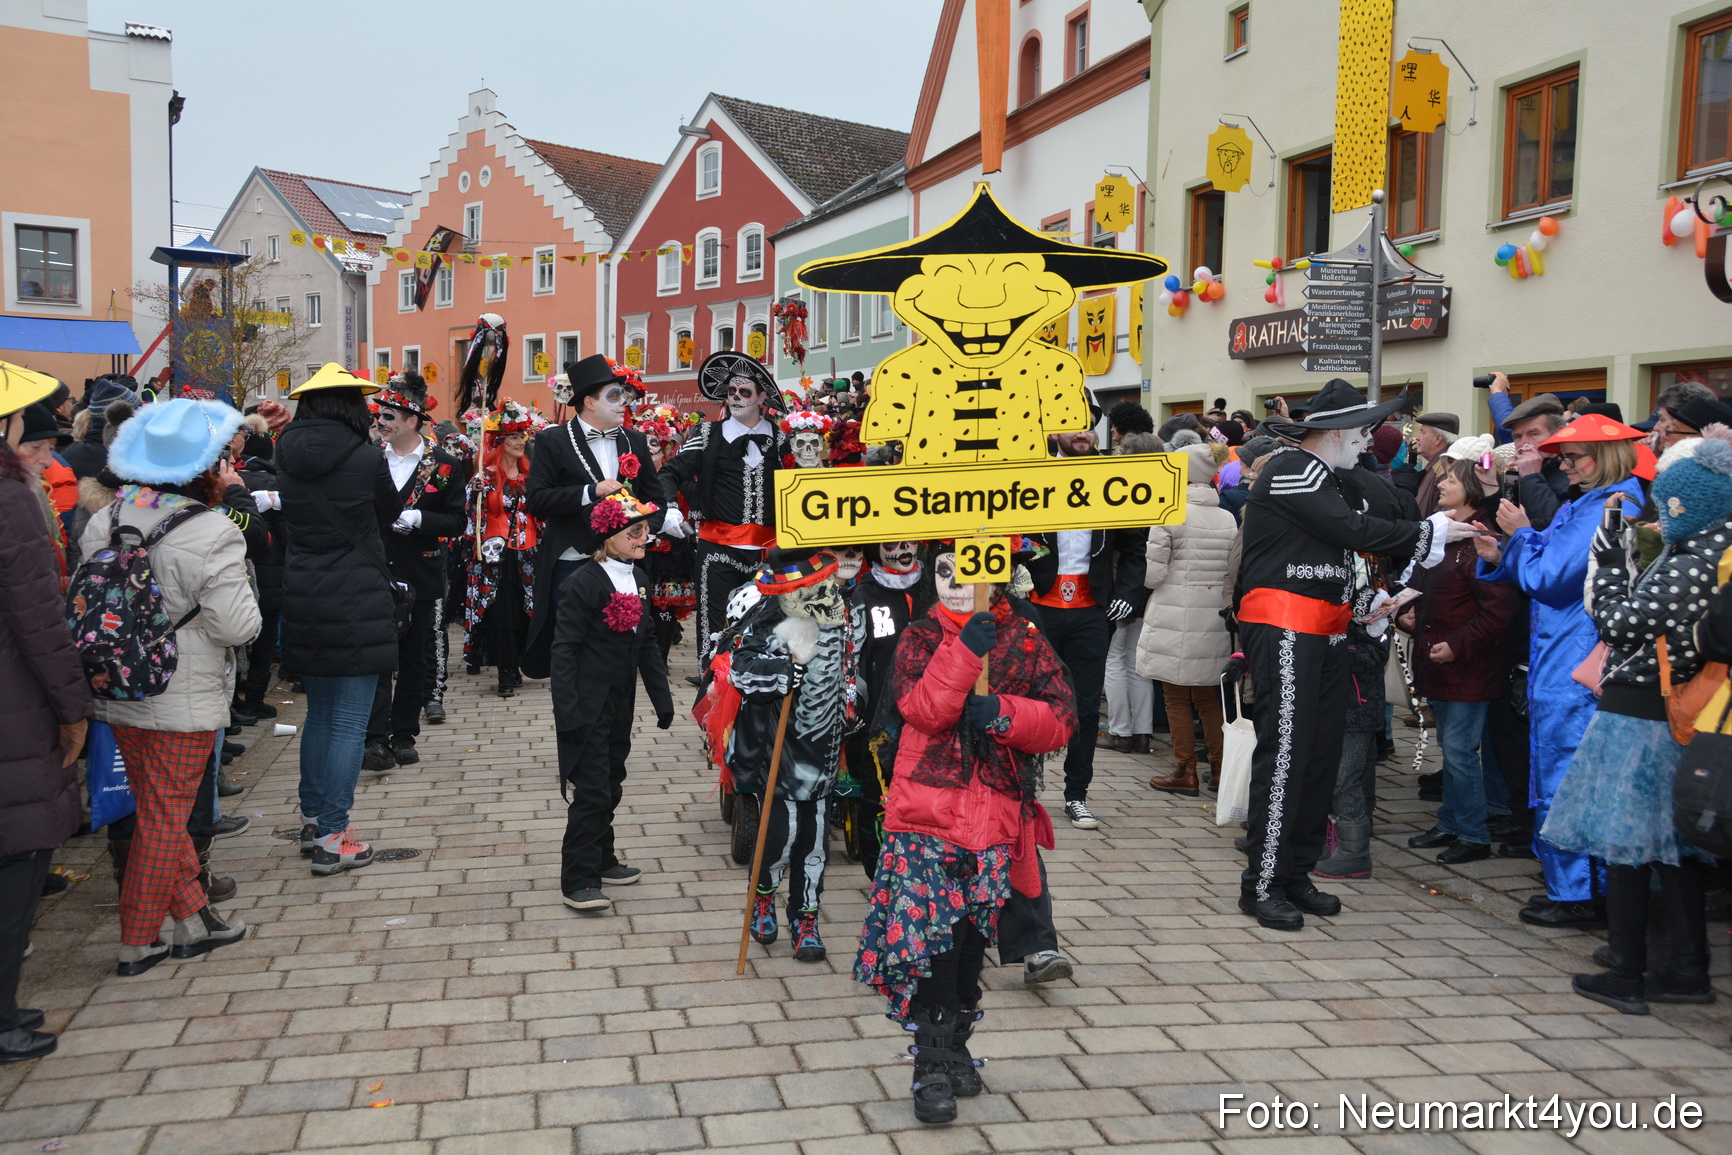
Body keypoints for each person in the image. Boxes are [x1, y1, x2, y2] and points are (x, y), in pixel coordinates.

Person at [1233, 379, 1477, 930]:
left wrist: (1367, 600)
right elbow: (1346, 529)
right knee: (1287, 757)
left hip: (1328, 631)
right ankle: (1262, 881)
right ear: (1337, 430)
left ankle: (1295, 873)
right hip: (1286, 629)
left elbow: (1337, 552)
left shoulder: (1331, 476)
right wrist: (1426, 531)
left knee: (1318, 758)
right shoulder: (1292, 466)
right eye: (1363, 430)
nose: (1369, 441)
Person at [853, 552, 1075, 1125]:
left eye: (973, 571)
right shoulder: (920, 637)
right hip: (926, 817)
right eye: (946, 570)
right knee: (932, 941)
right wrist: (965, 650)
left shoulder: (1026, 635)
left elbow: (1060, 719)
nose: (958, 584)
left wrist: (1003, 711)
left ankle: (956, 1048)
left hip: (996, 819)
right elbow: (923, 711)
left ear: (996, 574)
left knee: (974, 939)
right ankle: (928, 1062)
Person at [1543, 435, 1732, 1013]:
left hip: (1641, 712)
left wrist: (1605, 564)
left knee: (1626, 844)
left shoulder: (1690, 563)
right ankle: (1686, 970)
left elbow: (1620, 625)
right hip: (1672, 712)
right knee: (1671, 848)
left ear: (1683, 505)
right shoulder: (1712, 556)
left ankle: (1627, 972)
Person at [78, 398, 260, 974]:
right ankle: (138, 940)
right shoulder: (212, 530)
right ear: (202, 469)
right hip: (183, 694)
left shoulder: (107, 518)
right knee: (165, 819)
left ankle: (195, 921)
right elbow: (237, 625)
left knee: (157, 807)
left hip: (118, 686)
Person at [1474, 411, 1647, 928]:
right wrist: (1505, 549)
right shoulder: (1598, 502)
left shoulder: (1608, 507)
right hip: (1566, 653)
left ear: (1605, 457)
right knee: (1562, 771)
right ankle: (1575, 887)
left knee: (1566, 774)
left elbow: (1551, 577)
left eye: (1573, 457)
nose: (1565, 466)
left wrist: (1522, 535)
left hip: (1575, 660)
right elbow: (1550, 562)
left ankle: (1578, 892)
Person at [277, 364, 400, 876]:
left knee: (320, 715)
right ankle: (333, 836)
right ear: (351, 407)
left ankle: (311, 819)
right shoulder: (368, 458)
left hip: (304, 592)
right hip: (357, 597)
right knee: (349, 720)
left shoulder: (283, 452)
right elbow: (389, 512)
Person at [0, 376, 89, 1061]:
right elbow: (39, 620)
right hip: (14, 705)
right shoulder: (10, 501)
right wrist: (73, 707)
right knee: (18, 860)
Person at [727, 549, 865, 962]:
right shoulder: (768, 618)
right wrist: (780, 673)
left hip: (823, 750)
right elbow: (740, 666)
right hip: (779, 749)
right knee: (781, 833)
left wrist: (852, 703)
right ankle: (764, 893)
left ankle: (806, 915)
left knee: (816, 839)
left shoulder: (846, 617)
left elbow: (852, 668)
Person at [551, 491, 674, 913]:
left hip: (620, 699)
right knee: (591, 790)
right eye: (636, 532)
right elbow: (563, 651)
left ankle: (603, 859)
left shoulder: (638, 579)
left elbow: (647, 644)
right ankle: (578, 878)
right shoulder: (582, 583)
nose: (645, 538)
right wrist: (566, 713)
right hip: (586, 703)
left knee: (611, 782)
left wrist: (662, 699)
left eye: (645, 531)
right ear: (609, 536)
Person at [1401, 458, 1524, 864]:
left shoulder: (1482, 541)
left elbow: (1498, 611)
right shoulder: (1442, 535)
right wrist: (1407, 613)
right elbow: (1419, 587)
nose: (1440, 486)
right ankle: (1451, 822)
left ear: (1470, 489)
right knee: (1450, 749)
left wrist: (1458, 644)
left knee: (1459, 751)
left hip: (1469, 666)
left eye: (1449, 480)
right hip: (1437, 661)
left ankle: (1472, 834)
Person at [1024, 428, 1147, 830]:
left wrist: (1128, 592)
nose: (1082, 433)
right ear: (1053, 432)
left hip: (1091, 610)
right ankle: (1020, 792)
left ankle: (1076, 794)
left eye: (1088, 425)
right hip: (1039, 608)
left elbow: (1134, 546)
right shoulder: (1033, 474)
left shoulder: (1110, 478)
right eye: (1072, 424)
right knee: (1025, 701)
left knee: (1087, 706)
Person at [522, 355, 660, 680]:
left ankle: (610, 713)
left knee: (618, 645)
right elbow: (537, 500)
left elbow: (655, 497)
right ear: (588, 401)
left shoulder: (634, 440)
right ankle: (575, 715)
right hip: (572, 561)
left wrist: (647, 530)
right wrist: (590, 491)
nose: (622, 403)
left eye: (623, 396)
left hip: (624, 564)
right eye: (613, 396)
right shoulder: (552, 440)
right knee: (571, 646)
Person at [362, 373, 467, 770]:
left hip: (421, 573)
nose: (380, 422)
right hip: (375, 572)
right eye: (379, 415)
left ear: (411, 420)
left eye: (388, 416)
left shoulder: (444, 465)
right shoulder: (368, 459)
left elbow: (457, 521)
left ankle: (404, 734)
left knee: (413, 657)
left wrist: (422, 518)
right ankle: (374, 737)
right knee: (376, 658)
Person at [657, 352, 789, 656]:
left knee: (767, 630)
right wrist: (670, 508)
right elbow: (669, 472)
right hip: (717, 551)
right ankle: (711, 696)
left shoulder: (782, 439)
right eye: (731, 392)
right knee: (714, 631)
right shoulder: (706, 434)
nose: (736, 398)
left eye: (745, 392)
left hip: (769, 553)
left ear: (762, 398)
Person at [1139, 443, 1237, 795]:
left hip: (1174, 613)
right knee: (1208, 696)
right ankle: (1221, 767)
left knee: (1175, 696)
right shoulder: (1226, 516)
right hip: (1212, 615)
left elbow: (1152, 576)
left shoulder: (1169, 514)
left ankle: (1184, 768)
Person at [463, 399, 542, 696]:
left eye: (523, 436)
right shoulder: (483, 478)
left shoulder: (532, 476)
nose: (521, 441)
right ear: (498, 442)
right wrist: (474, 495)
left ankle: (518, 662)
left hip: (529, 554)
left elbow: (542, 515)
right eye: (514, 436)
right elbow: (469, 519)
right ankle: (505, 671)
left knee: (525, 611)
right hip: (496, 558)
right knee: (502, 612)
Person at [1488, 379, 1570, 529]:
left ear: (1558, 433)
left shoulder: (1573, 472)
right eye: (1517, 437)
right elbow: (1504, 526)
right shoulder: (1517, 473)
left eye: (1534, 434)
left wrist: (1531, 477)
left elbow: (1557, 528)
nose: (1524, 444)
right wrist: (1492, 485)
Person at [1409, 412, 1459, 516]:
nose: (1417, 437)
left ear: (1438, 439)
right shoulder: (1438, 465)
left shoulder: (1444, 468)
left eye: (1423, 433)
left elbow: (1443, 515)